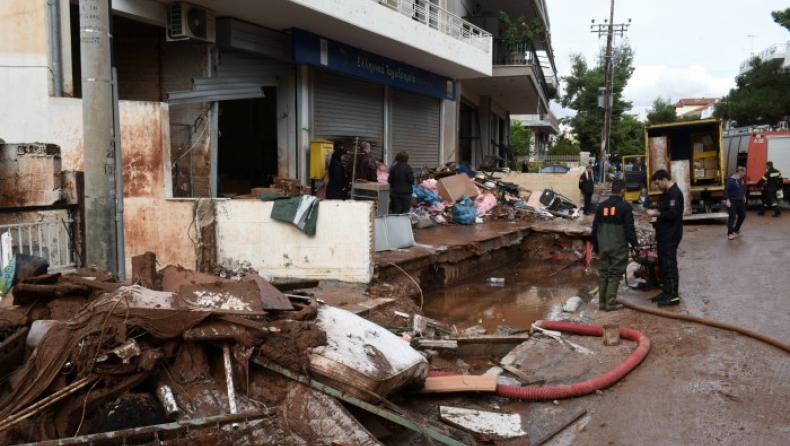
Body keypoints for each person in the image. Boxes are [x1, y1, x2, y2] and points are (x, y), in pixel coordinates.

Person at [591, 179, 638, 311]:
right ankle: (610, 303)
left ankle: (602, 303)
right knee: (615, 273)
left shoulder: (601, 206)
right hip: (618, 245)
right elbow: (629, 228)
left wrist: (596, 246)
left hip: (603, 244)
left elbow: (594, 228)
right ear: (622, 191)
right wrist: (635, 244)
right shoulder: (626, 207)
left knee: (604, 272)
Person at [645, 169, 684, 307]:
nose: (657, 186)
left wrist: (657, 213)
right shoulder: (667, 193)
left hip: (670, 235)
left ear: (664, 180)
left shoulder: (674, 193)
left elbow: (673, 213)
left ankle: (673, 296)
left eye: (657, 183)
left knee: (669, 264)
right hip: (664, 235)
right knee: (662, 264)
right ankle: (666, 291)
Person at [724, 166, 747, 240]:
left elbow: (741, 189)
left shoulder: (741, 180)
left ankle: (736, 228)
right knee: (732, 217)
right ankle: (730, 233)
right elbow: (726, 190)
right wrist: (727, 200)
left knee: (742, 215)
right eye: (744, 172)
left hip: (740, 201)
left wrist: (743, 196)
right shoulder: (731, 180)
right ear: (739, 172)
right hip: (732, 201)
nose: (745, 173)